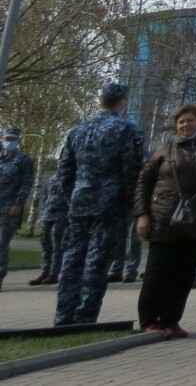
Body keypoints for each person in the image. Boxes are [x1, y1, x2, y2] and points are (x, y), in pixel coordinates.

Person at [53, 81, 144, 325]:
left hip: (80, 202)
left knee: (72, 259)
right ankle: (85, 316)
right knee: (97, 260)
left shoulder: (78, 130)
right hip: (109, 204)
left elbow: (64, 170)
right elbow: (132, 171)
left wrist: (72, 196)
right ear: (122, 101)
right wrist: (130, 205)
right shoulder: (127, 130)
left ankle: (63, 315)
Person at [134, 103, 196, 337]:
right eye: (182, 122)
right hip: (164, 218)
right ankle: (149, 320)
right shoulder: (164, 148)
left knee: (184, 275)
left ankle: (171, 319)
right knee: (158, 272)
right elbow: (144, 182)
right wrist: (142, 214)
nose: (186, 125)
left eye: (191, 121)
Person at [0, 126, 35, 291]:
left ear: (18, 141)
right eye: (7, 139)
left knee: (1, 243)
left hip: (8, 208)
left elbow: (26, 184)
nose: (9, 142)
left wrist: (18, 203)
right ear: (2, 140)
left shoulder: (23, 160)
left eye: (13, 140)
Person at [31, 169, 67, 286]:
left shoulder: (72, 178)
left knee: (57, 245)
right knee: (45, 244)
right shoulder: (50, 180)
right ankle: (45, 272)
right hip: (47, 216)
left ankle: (54, 274)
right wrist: (40, 215)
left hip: (61, 216)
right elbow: (43, 199)